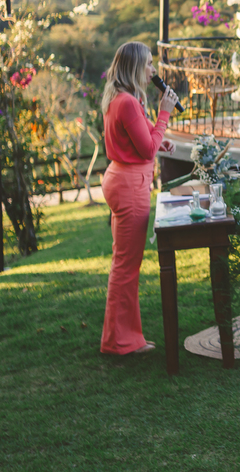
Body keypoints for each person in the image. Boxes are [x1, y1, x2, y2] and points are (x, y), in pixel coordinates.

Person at [99, 41, 179, 356]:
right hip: (130, 186)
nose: (152, 70)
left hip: (123, 179)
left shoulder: (121, 98)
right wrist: (165, 113)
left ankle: (124, 338)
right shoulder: (128, 103)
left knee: (125, 264)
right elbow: (145, 149)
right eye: (148, 64)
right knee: (126, 266)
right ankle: (118, 342)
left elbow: (144, 139)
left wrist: (161, 140)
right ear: (134, 66)